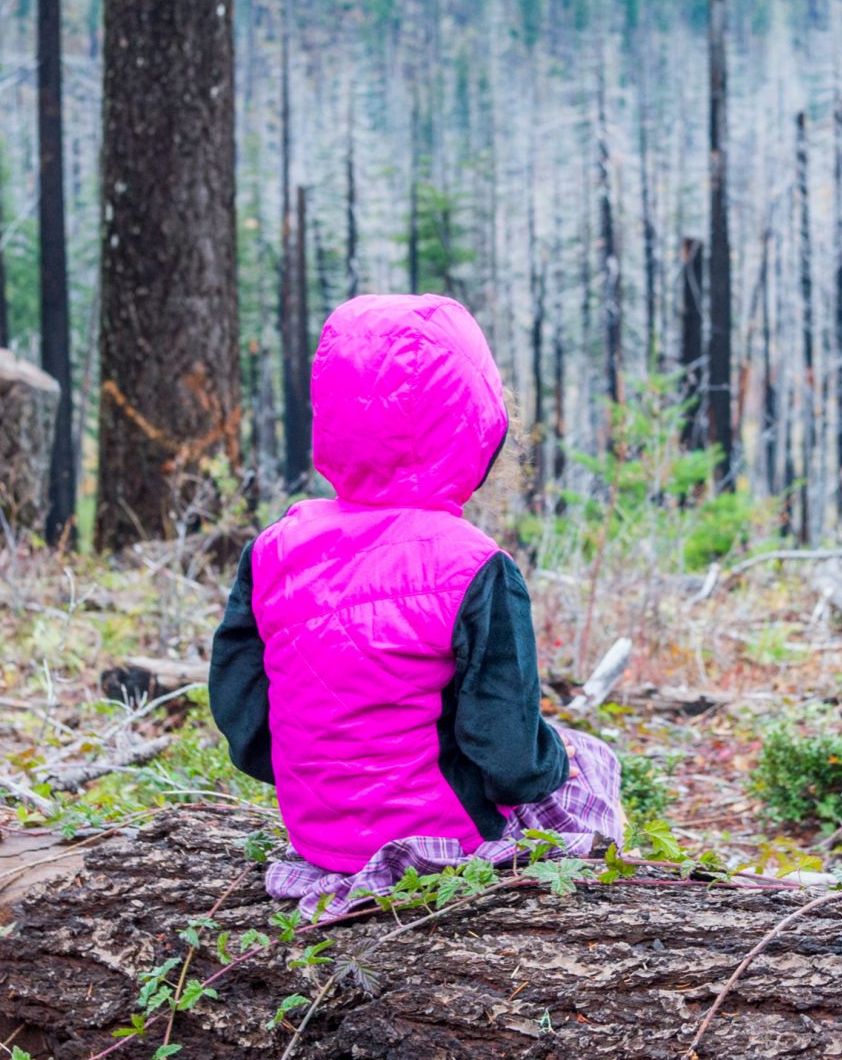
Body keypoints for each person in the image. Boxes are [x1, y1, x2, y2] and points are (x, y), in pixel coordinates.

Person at [208, 293, 624, 916]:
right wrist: (554, 764)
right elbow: (509, 756)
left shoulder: (274, 550)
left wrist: (327, 775)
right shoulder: (476, 566)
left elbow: (242, 715)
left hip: (319, 841)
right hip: (449, 839)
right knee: (588, 758)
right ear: (476, 423)